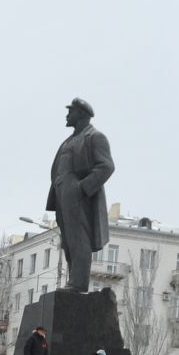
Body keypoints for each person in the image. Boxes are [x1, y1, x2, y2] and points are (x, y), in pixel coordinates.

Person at [46, 98, 115, 293]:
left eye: (71, 111)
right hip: (61, 194)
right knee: (68, 240)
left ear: (82, 114)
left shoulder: (95, 137)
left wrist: (83, 187)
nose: (67, 115)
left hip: (78, 193)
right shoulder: (69, 140)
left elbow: (107, 166)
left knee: (79, 237)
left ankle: (78, 282)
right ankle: (73, 279)